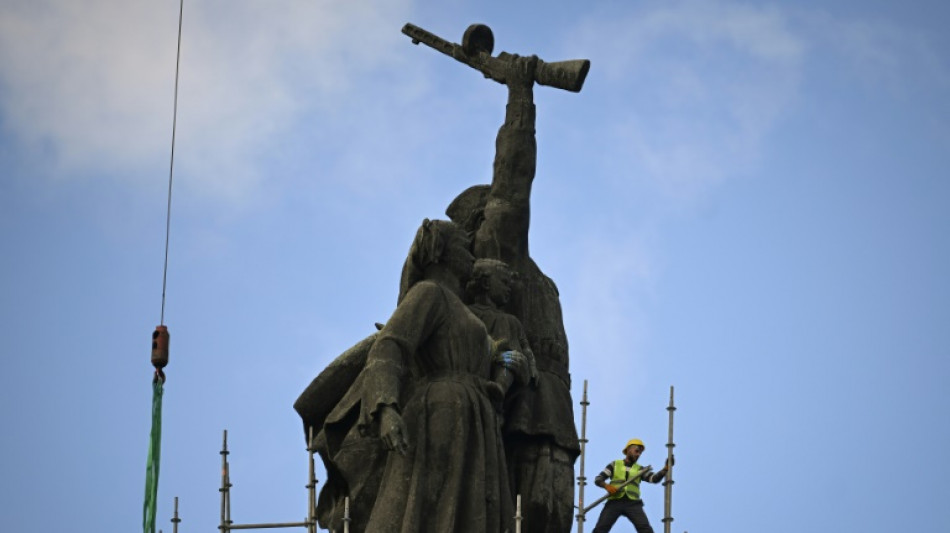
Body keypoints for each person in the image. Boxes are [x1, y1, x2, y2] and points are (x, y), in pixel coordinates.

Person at [446, 54, 579, 532]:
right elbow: (513, 181)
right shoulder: (497, 253)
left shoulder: (526, 273)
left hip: (544, 419)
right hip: (519, 420)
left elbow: (509, 190)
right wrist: (520, 98)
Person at [358, 219, 526, 533]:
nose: (472, 255)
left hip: (475, 414)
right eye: (464, 246)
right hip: (441, 410)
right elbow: (391, 344)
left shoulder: (461, 309)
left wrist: (499, 360)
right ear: (441, 252)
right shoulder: (428, 293)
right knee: (434, 504)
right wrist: (385, 407)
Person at [591, 439, 672, 533]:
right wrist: (606, 486)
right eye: (636, 451)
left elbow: (653, 479)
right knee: (601, 529)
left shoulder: (640, 469)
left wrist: (665, 469)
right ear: (628, 450)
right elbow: (598, 479)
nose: (638, 455)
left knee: (645, 529)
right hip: (614, 501)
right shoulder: (615, 464)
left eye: (640, 453)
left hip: (632, 503)